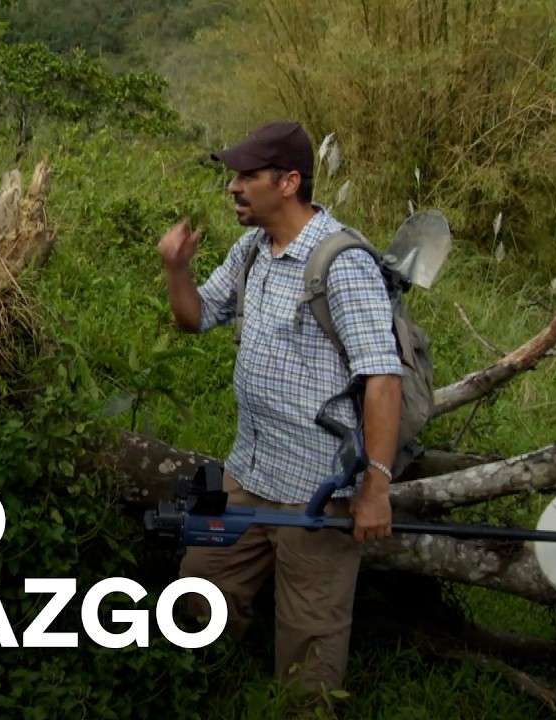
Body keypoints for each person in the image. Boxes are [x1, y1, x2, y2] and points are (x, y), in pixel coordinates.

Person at [158, 120, 403, 696]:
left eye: (248, 176)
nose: (234, 187)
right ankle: (204, 689)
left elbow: (383, 379)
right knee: (198, 592)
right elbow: (194, 319)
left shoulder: (342, 263)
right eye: (233, 176)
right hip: (251, 471)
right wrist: (176, 268)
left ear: (289, 181)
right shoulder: (253, 249)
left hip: (321, 489)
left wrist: (376, 488)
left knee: (310, 639)